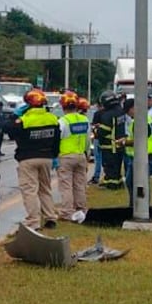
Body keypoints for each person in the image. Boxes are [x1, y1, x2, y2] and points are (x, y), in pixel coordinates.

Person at [8, 88, 60, 230]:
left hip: (27, 158)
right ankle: (50, 218)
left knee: (30, 191)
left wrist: (14, 117)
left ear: (28, 104)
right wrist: (54, 156)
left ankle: (33, 221)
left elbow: (11, 133)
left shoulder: (24, 120)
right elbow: (57, 140)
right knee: (45, 189)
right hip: (47, 158)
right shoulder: (52, 118)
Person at [56, 92, 90, 222]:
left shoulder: (62, 121)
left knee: (66, 186)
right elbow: (88, 140)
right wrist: (86, 154)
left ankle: (67, 212)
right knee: (80, 185)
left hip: (66, 156)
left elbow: (58, 139)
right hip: (81, 155)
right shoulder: (84, 120)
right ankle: (81, 209)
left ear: (63, 106)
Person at [121, 97, 152, 198]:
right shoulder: (144, 118)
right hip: (143, 153)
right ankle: (138, 205)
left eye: (128, 111)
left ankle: (136, 205)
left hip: (141, 155)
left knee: (134, 183)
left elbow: (139, 140)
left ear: (133, 108)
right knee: (138, 183)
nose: (128, 114)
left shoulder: (139, 121)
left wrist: (124, 142)